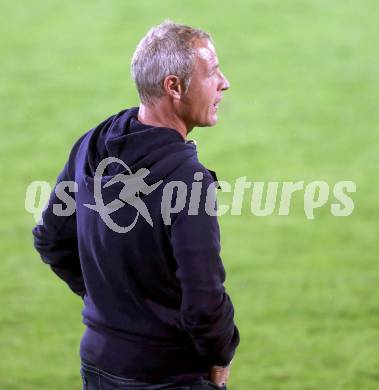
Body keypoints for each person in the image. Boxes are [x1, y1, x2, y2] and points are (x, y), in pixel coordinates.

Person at [33, 21, 240, 389]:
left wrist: (108, 300)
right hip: (167, 376)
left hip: (98, 363)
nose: (224, 83)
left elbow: (51, 239)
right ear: (174, 86)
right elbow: (204, 301)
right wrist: (220, 354)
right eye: (212, 73)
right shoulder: (187, 180)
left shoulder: (90, 144)